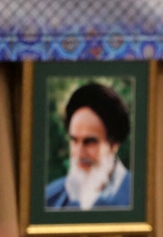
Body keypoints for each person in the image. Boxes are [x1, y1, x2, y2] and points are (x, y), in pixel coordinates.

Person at [45, 82, 132, 210]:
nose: (79, 153)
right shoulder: (50, 198)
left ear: (114, 145)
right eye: (74, 140)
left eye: (90, 142)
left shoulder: (139, 196)